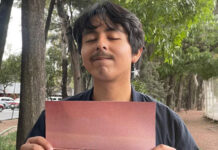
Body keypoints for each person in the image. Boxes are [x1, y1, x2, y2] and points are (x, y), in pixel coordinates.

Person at [21, 1, 198, 150]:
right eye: (90, 40)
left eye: (112, 37)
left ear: (136, 52)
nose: (100, 45)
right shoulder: (52, 121)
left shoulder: (167, 122)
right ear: (82, 54)